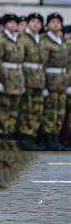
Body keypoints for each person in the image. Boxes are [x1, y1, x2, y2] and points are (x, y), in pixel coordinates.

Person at [16, 12, 46, 151]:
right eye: (33, 21)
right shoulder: (22, 39)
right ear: (27, 24)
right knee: (26, 109)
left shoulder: (41, 40)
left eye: (38, 22)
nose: (36, 24)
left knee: (36, 110)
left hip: (39, 79)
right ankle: (24, 137)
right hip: (27, 78)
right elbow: (19, 61)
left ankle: (32, 136)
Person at [0, 14, 24, 140]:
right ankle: (1, 133)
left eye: (15, 23)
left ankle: (10, 132)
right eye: (10, 23)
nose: (13, 25)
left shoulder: (19, 39)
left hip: (17, 77)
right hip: (5, 77)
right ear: (5, 25)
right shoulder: (0, 40)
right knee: (4, 107)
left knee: (14, 108)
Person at [40, 13, 67, 150]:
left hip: (61, 81)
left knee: (60, 111)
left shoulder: (61, 41)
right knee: (50, 111)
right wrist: (43, 84)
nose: (56, 24)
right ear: (48, 25)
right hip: (50, 81)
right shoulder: (45, 41)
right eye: (53, 22)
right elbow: (42, 64)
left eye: (58, 22)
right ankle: (48, 138)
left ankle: (56, 137)